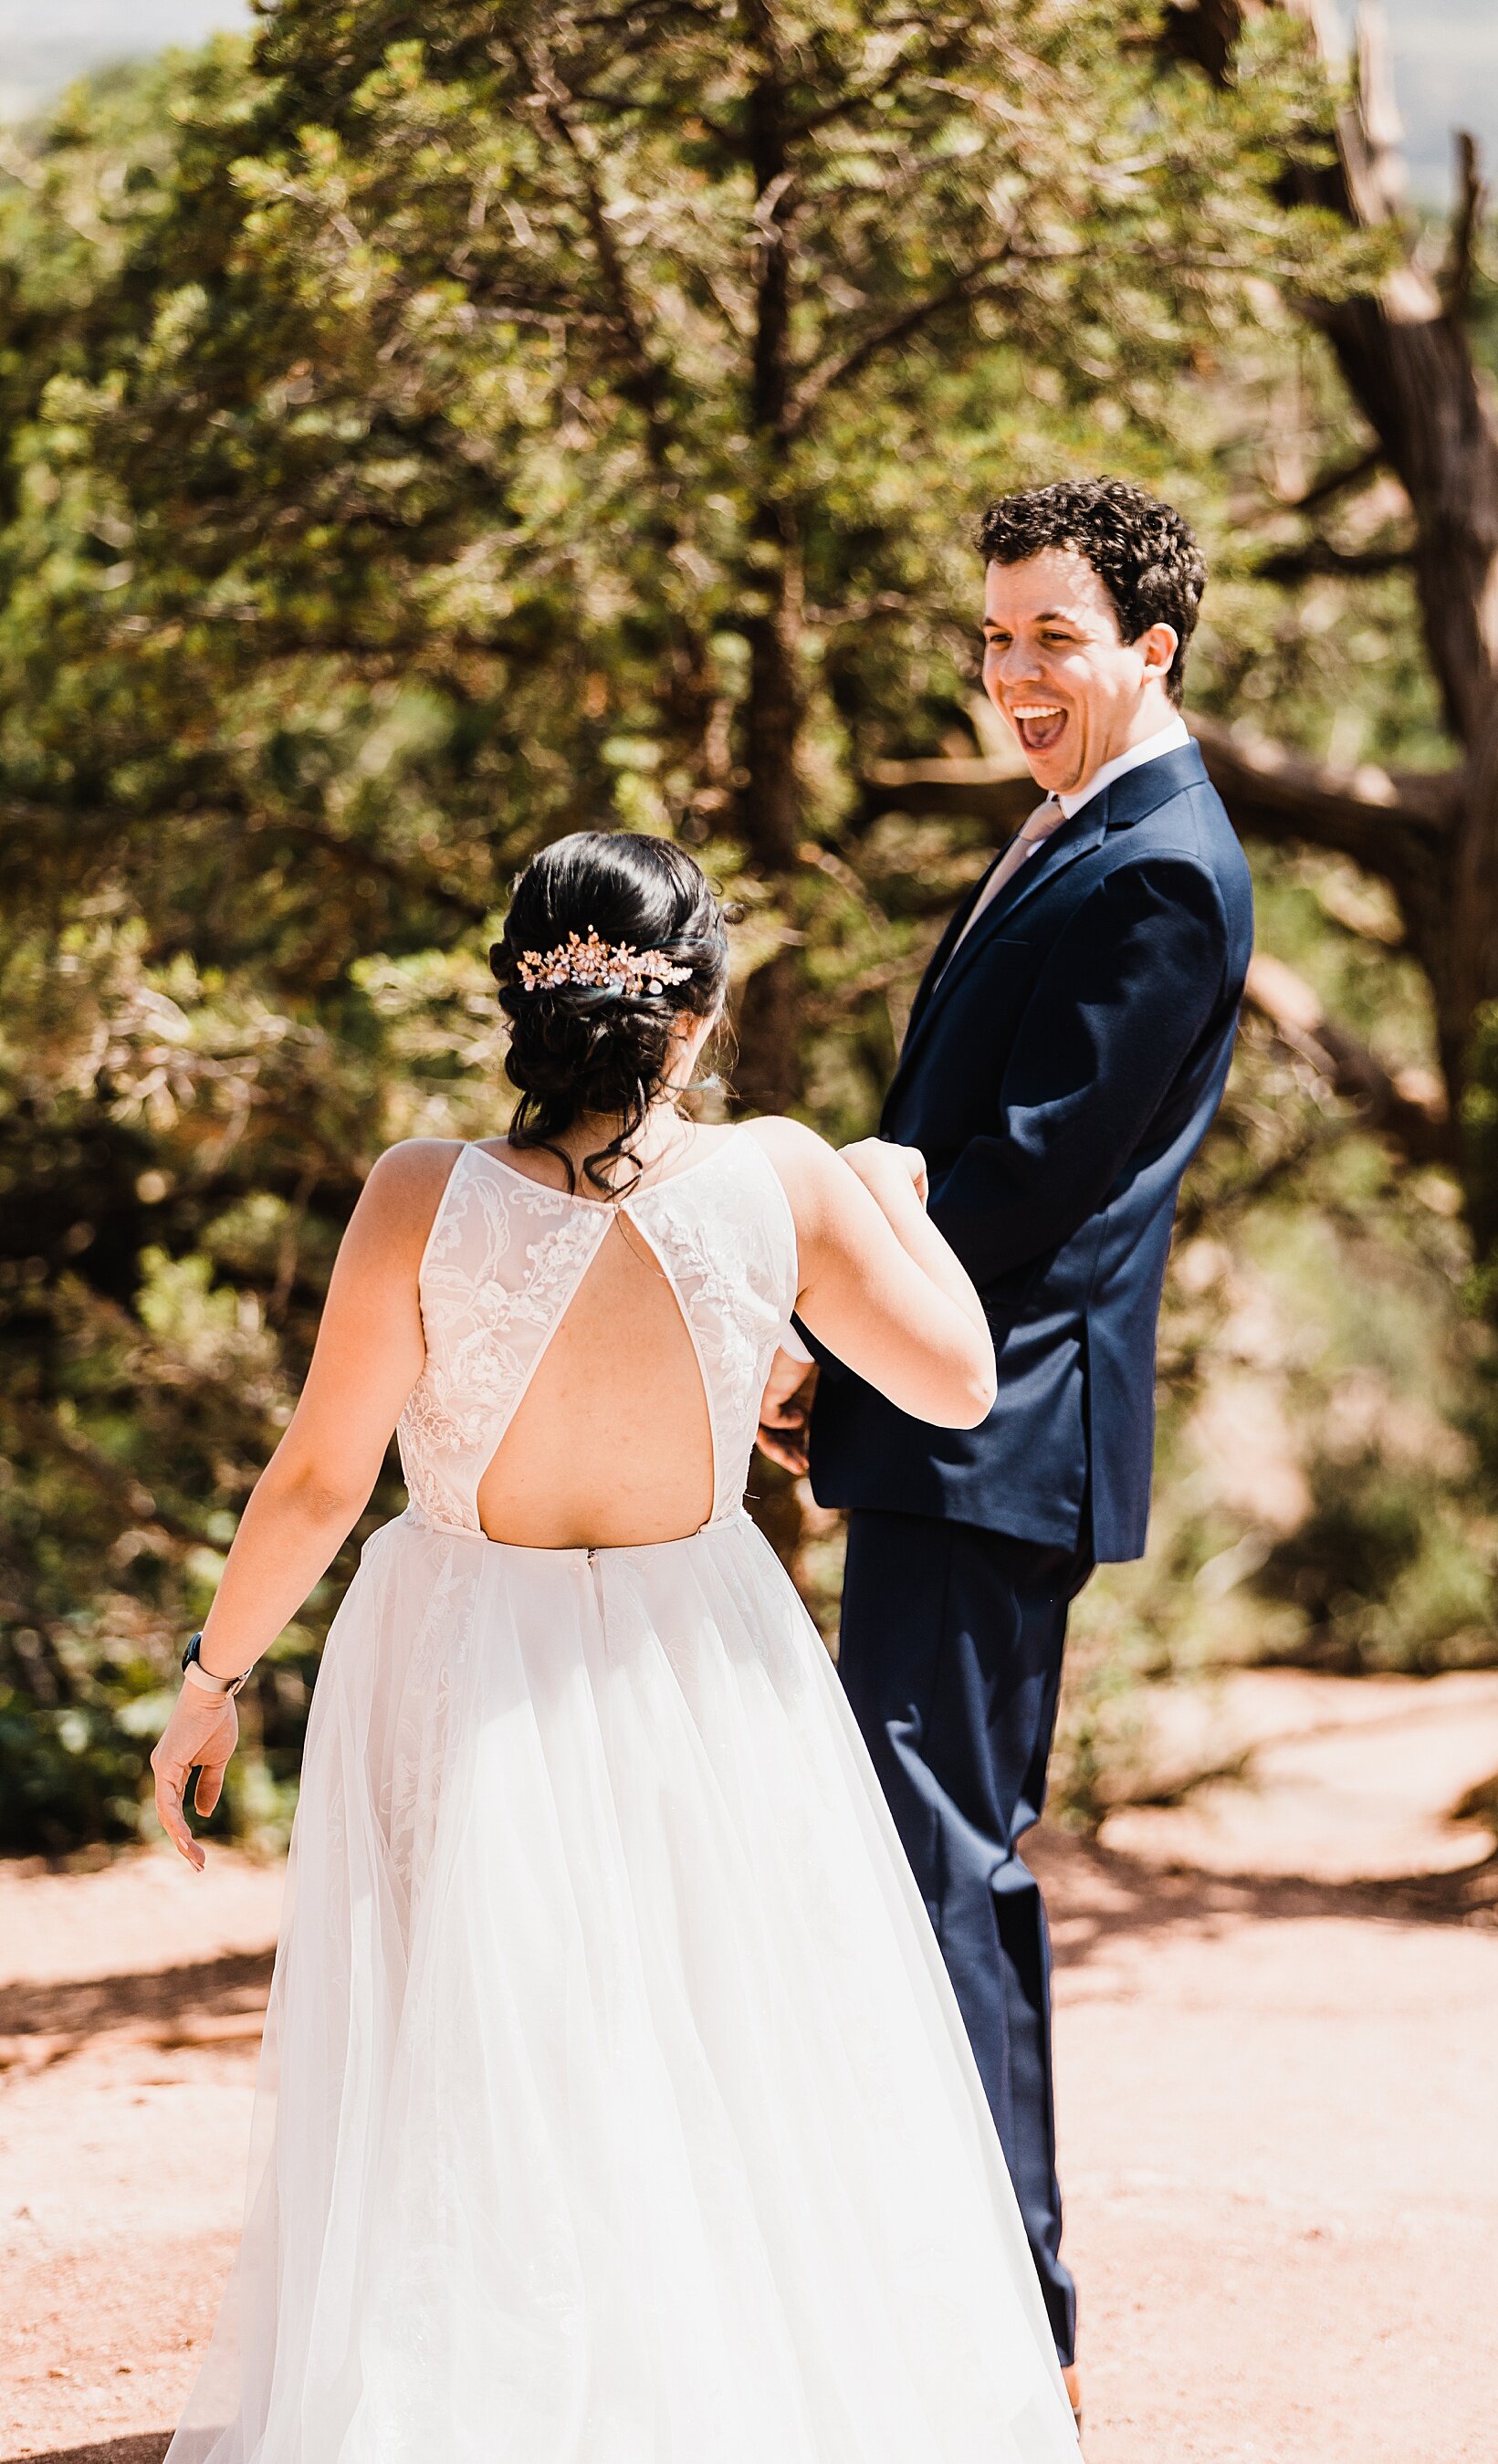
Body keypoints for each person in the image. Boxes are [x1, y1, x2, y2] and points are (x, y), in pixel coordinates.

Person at [148, 831, 1079, 2464]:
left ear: (516, 999)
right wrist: (889, 1187)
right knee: (705, 2042)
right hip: (699, 1661)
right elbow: (958, 1382)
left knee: (472, 2044)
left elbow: (315, 1479)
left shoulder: (421, 1194)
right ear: (699, 1015)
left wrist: (209, 1684)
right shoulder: (783, 1176)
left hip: (458, 1657)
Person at [759, 477, 1254, 2413]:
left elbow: (1020, 1190)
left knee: (944, 1865)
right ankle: (948, 2306)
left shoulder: (1159, 865)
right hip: (941, 1415)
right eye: (992, 640)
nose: (1012, 676)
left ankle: (1009, 2329)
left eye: (1054, 639)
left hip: (996, 1427)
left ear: (1153, 648)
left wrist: (827, 1316)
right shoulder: (1080, 828)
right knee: (914, 1861)